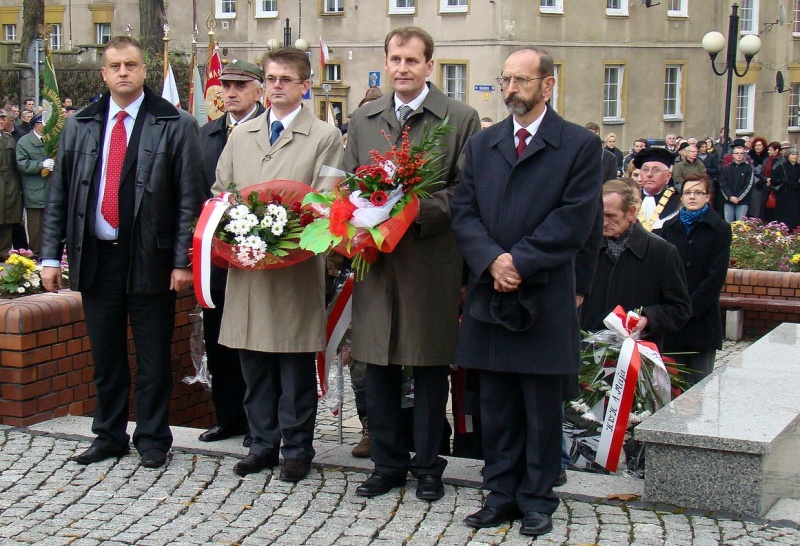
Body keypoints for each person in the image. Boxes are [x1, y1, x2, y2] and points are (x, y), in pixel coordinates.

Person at [451, 46, 601, 537]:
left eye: (522, 80)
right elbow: (464, 212)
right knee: (495, 402)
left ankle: (537, 497)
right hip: (490, 292)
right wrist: (491, 259)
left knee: (539, 406)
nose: (511, 88)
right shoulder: (483, 144)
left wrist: (520, 261)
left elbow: (575, 219)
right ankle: (500, 492)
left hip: (542, 295)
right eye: (506, 79)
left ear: (548, 85)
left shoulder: (578, 145)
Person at [39, 36, 208, 469]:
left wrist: (182, 262)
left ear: (143, 69)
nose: (122, 73)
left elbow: (191, 198)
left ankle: (152, 437)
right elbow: (58, 197)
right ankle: (109, 435)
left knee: (153, 357)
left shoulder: (175, 123)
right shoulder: (81, 124)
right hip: (95, 257)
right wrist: (48, 257)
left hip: (150, 258)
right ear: (104, 73)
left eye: (130, 64)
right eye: (114, 66)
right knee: (106, 355)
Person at [345, 26, 480, 502]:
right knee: (378, 366)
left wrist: (411, 212)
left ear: (429, 66)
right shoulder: (363, 119)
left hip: (430, 261)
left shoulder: (460, 118)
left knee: (427, 368)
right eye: (394, 59)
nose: (401, 68)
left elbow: (466, 192)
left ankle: (428, 466)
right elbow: (345, 184)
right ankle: (387, 464)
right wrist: (355, 216)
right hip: (376, 264)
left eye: (411, 60)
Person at [211, 47, 344, 482]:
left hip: (293, 267)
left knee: (293, 365)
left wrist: (278, 235)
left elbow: (325, 201)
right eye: (271, 78)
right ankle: (262, 443)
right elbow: (222, 192)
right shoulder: (241, 134)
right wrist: (238, 227)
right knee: (253, 363)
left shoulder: (325, 136)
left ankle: (297, 449)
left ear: (305, 86)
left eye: (287, 79)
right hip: (247, 267)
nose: (277, 86)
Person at [197, 59, 267, 447]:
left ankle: (260, 421)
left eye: (241, 84)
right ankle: (229, 417)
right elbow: (196, 192)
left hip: (260, 252)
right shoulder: (206, 135)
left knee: (254, 341)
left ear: (258, 90)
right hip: (217, 255)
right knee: (219, 337)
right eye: (226, 84)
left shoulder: (267, 131)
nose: (231, 91)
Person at [581, 180, 691, 351]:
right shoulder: (583, 248)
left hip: (637, 357)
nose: (603, 223)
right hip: (586, 352)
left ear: (631, 212)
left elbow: (680, 308)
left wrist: (648, 318)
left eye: (611, 216)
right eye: (599, 215)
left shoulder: (661, 252)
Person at [655, 174, 730, 385]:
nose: (692, 197)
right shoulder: (670, 226)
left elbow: (716, 275)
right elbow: (664, 271)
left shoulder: (720, 229)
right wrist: (675, 307)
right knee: (671, 383)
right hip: (673, 317)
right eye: (688, 192)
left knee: (699, 384)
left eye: (698, 192)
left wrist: (692, 308)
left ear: (708, 197)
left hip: (702, 318)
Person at [15, 114, 53, 256]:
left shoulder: (52, 140)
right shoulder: (25, 142)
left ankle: (50, 253)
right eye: (43, 123)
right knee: (35, 227)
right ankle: (36, 253)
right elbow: (23, 164)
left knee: (51, 225)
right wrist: (40, 165)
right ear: (36, 124)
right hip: (35, 191)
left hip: (52, 189)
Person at [635, 147, 680, 231]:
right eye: (645, 170)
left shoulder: (678, 201)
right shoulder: (631, 198)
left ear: (668, 176)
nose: (649, 174)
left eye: (656, 170)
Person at [0, 109, 22, 260]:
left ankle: (4, 252)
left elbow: (16, 164)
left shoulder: (8, 139)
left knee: (8, 217)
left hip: (8, 183)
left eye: (3, 118)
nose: (1, 121)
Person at [719, 145, 755, 222]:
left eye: (741, 153)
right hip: (728, 201)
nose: (739, 155)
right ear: (733, 155)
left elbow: (749, 185)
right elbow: (723, 184)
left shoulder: (748, 168)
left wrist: (739, 198)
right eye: (737, 153)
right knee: (728, 223)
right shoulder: (727, 168)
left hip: (742, 201)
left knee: (740, 224)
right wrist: (730, 196)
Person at [771, 148, 800, 231]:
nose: (795, 156)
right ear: (788, 156)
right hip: (783, 195)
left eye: (796, 154)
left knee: (795, 214)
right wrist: (781, 180)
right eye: (792, 154)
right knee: (783, 215)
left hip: (796, 195)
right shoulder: (781, 167)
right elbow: (773, 181)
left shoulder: (799, 167)